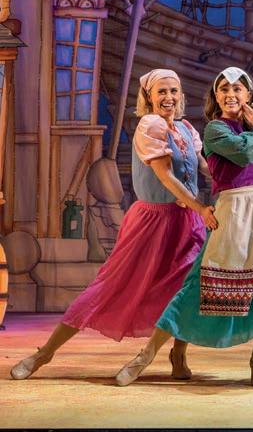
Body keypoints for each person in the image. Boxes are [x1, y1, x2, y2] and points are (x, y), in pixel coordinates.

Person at [10, 69, 217, 380]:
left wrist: (237, 182)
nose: (169, 97)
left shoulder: (186, 129)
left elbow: (203, 166)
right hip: (153, 223)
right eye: (161, 91)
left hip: (186, 223)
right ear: (148, 96)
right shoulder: (150, 126)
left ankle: (178, 354)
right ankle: (44, 353)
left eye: (174, 91)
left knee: (185, 289)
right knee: (108, 287)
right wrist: (200, 206)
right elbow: (165, 176)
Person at [114, 67, 253, 387]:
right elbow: (243, 154)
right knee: (196, 290)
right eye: (224, 89)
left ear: (248, 95)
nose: (231, 94)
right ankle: (144, 356)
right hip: (232, 213)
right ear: (216, 97)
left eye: (237, 89)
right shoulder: (216, 130)